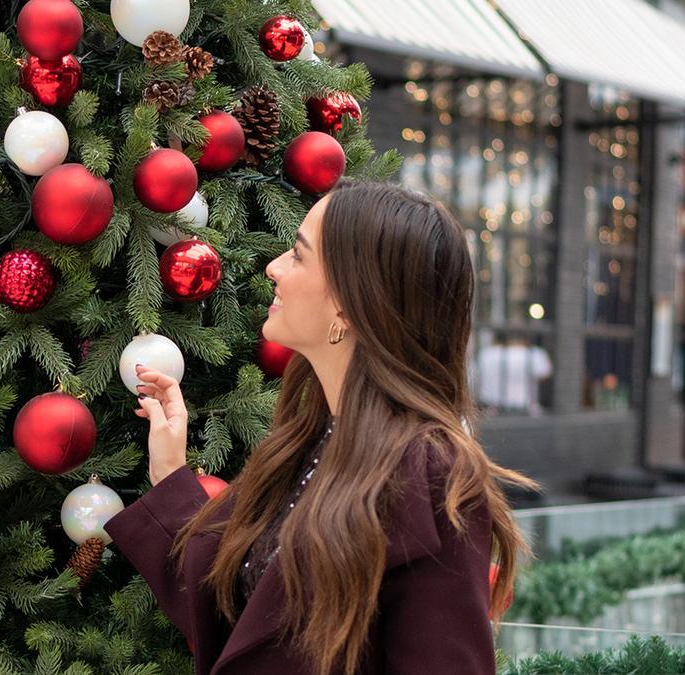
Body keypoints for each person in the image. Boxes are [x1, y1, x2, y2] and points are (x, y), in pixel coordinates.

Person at [103, 183, 540, 675]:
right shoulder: (311, 441)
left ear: (348, 305)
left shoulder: (429, 474)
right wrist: (170, 470)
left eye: (298, 254)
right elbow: (239, 622)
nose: (274, 267)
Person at [473, 336, 553, 415]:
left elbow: (474, 377)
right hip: (524, 409)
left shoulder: (486, 353)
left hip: (491, 409)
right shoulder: (534, 353)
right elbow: (545, 375)